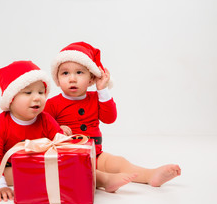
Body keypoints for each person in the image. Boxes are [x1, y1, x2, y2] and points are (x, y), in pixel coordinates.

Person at [0, 60, 137, 202]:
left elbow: (63, 146)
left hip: (16, 161)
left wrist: (70, 142)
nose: (37, 98)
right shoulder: (1, 123)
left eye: (41, 92)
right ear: (11, 99)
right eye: (28, 93)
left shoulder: (45, 119)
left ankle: (103, 180)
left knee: (38, 171)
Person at [45, 42, 181, 187]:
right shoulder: (52, 104)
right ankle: (106, 181)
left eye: (79, 72)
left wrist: (102, 90)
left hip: (95, 153)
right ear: (57, 79)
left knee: (119, 162)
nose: (72, 78)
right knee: (81, 169)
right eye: (65, 73)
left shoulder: (96, 98)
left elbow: (109, 118)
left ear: (91, 78)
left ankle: (150, 175)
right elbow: (42, 128)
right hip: (69, 156)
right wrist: (58, 131)